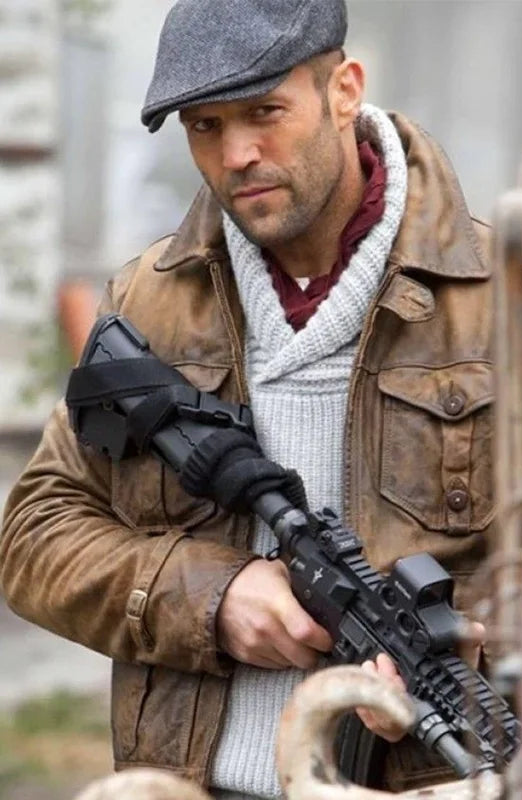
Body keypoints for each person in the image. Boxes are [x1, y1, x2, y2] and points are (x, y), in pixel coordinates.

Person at [0, 0, 495, 797]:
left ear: (344, 90)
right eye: (205, 126)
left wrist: (468, 649)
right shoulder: (150, 302)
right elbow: (35, 537)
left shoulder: (501, 302)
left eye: (266, 112)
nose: (237, 154)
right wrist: (212, 598)